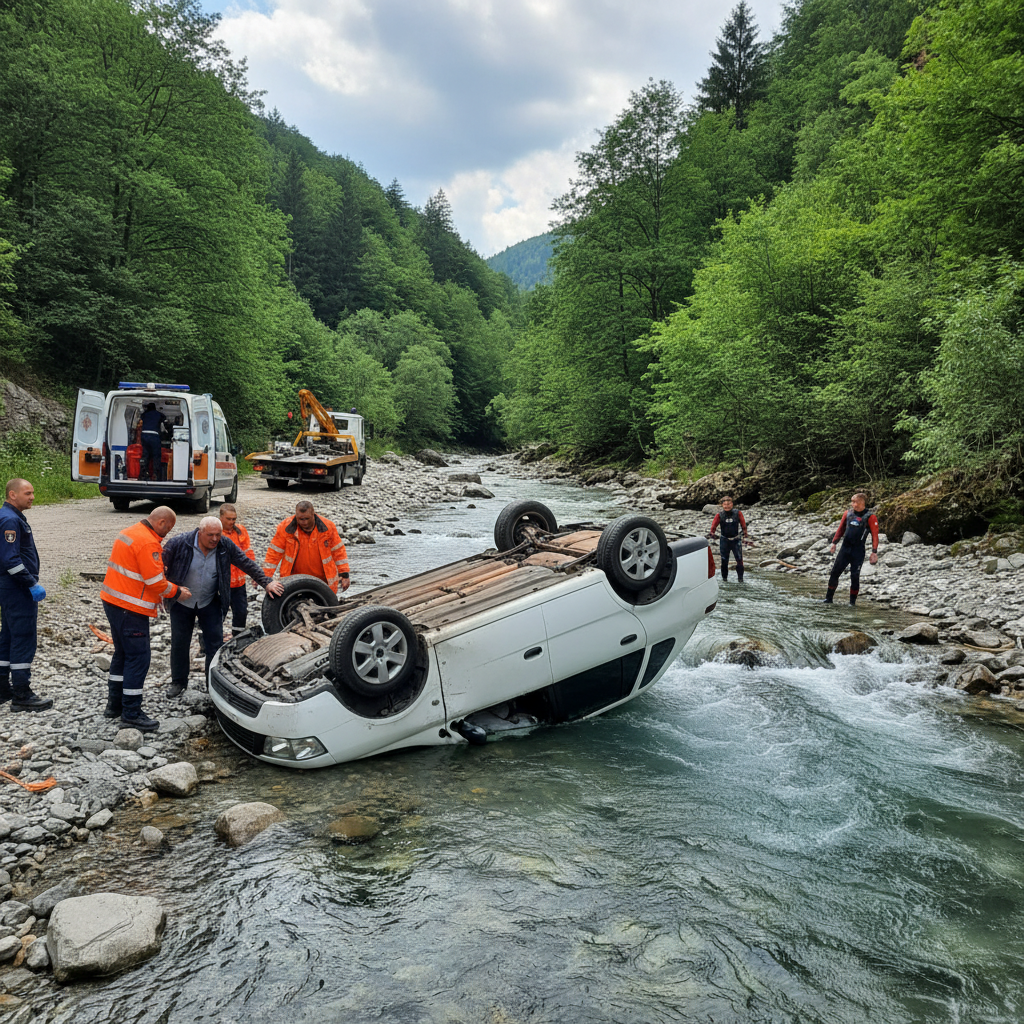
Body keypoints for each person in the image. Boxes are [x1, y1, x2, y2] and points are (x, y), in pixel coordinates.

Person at [163, 516, 284, 699]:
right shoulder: (179, 543)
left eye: (217, 535)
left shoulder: (224, 545)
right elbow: (157, 567)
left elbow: (245, 562)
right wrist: (168, 590)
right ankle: (178, 682)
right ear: (200, 532)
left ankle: (212, 682)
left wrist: (266, 582)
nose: (214, 539)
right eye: (210, 535)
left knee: (215, 644)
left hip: (209, 601)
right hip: (181, 603)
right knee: (180, 643)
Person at [101, 506, 189, 731]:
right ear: (161, 523)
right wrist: (178, 592)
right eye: (167, 530)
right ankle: (131, 711)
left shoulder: (130, 532)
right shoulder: (148, 542)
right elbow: (156, 582)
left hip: (113, 601)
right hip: (131, 608)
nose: (166, 535)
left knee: (122, 653)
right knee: (138, 658)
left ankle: (115, 705)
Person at [0, 479, 52, 712]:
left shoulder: (10, 515)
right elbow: (11, 560)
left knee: (8, 636)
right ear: (12, 494)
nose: (32, 497)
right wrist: (31, 583)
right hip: (17, 588)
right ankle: (22, 694)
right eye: (27, 493)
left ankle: (2, 688)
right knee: (23, 637)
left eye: (33, 492)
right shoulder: (10, 520)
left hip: (9, 588)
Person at [264, 500, 350, 594]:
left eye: (307, 518)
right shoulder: (285, 528)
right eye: (300, 519)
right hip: (293, 581)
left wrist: (344, 574)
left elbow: (339, 552)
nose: (304, 522)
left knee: (327, 606)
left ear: (313, 514)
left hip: (323, 581)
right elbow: (273, 554)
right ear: (296, 516)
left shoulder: (328, 527)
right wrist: (264, 578)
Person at [824, 492, 879, 605]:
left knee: (854, 576)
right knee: (834, 573)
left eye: (855, 502)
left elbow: (875, 535)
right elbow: (841, 529)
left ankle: (852, 603)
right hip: (845, 549)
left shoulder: (870, 517)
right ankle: (828, 599)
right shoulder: (847, 514)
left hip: (858, 551)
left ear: (862, 502)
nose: (853, 504)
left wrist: (874, 552)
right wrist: (834, 543)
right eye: (852, 502)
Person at [218, 503, 257, 638]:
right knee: (217, 614)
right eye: (228, 519)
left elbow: (248, 553)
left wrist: (254, 574)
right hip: (220, 584)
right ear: (221, 518)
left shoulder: (240, 531)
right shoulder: (215, 533)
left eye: (234, 519)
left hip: (239, 583)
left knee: (241, 612)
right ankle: (207, 643)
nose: (232, 522)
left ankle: (238, 637)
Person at [708, 495, 750, 582]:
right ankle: (724, 580)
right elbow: (713, 527)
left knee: (739, 560)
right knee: (724, 561)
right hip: (724, 540)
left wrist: (745, 535)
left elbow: (743, 525)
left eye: (729, 504)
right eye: (725, 504)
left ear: (732, 504)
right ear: (722, 505)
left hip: (736, 540)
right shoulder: (719, 515)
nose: (727, 506)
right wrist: (712, 534)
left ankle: (741, 580)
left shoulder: (738, 513)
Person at [139, 402, 166, 481]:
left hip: (144, 435)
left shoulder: (144, 414)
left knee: (145, 454)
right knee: (156, 455)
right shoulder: (159, 414)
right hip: (154, 436)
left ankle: (144, 473)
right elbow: (165, 423)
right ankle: (156, 474)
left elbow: (141, 420)